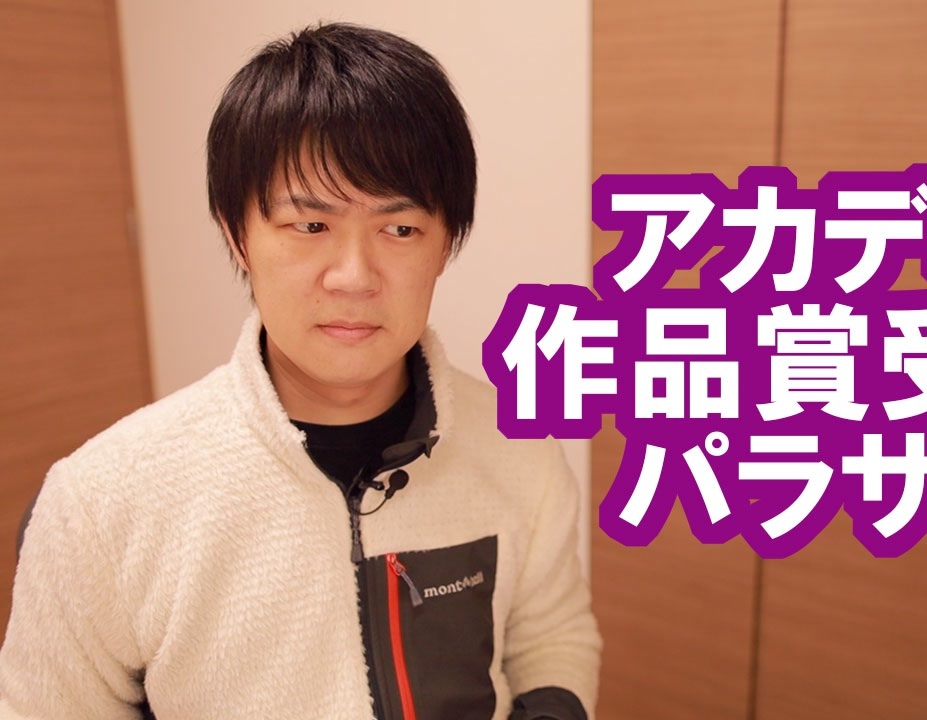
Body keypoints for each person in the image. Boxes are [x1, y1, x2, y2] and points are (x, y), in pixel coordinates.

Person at [0, 22, 600, 720]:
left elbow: (552, 640)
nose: (354, 276)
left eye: (399, 229)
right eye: (310, 226)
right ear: (237, 235)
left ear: (445, 245)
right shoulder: (98, 503)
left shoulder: (521, 447)